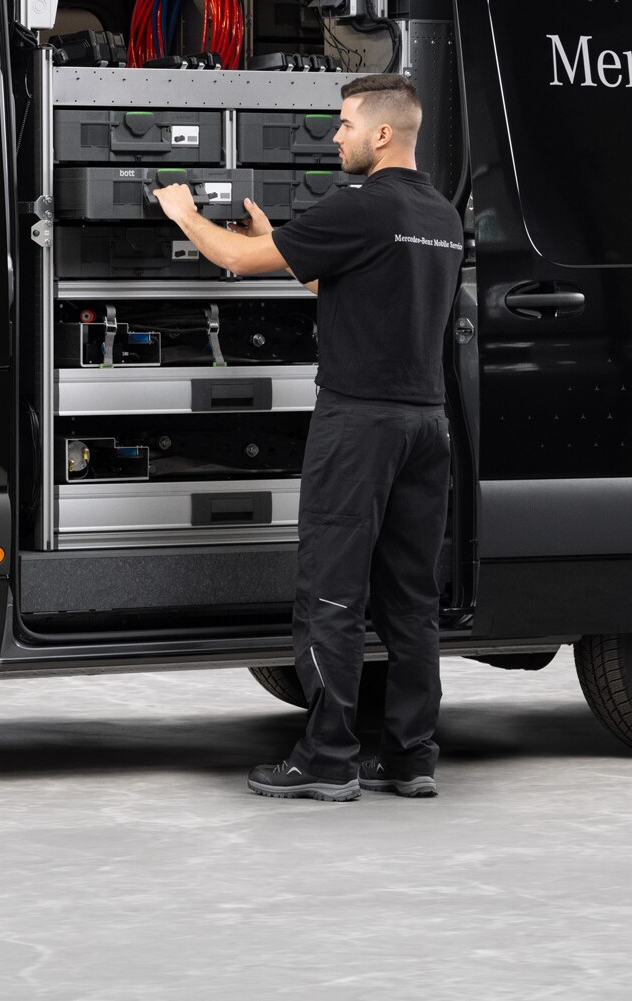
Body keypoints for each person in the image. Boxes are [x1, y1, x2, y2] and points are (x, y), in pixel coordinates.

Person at [154, 73, 462, 803]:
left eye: (345, 124)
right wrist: (282, 245)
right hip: (425, 424)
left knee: (331, 592)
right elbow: (351, 284)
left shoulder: (362, 207)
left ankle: (326, 760)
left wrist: (184, 214)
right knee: (410, 599)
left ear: (382, 133)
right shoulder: (439, 214)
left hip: (358, 424)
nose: (336, 136)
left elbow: (231, 262)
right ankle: (412, 756)